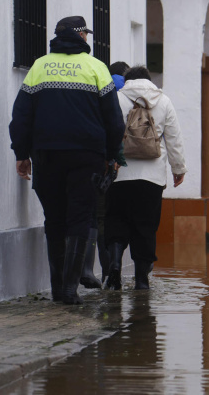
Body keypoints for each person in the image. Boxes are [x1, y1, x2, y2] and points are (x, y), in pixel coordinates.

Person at [9, 15, 125, 305]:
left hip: (46, 154)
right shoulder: (97, 68)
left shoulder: (39, 67)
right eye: (86, 33)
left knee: (54, 218)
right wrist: (113, 156)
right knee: (80, 217)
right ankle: (70, 290)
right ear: (81, 36)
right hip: (87, 156)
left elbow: (21, 116)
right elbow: (114, 121)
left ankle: (58, 288)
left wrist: (22, 154)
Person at [105, 66, 186, 290]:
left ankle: (114, 266)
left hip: (120, 175)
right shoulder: (164, 101)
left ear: (127, 80)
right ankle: (141, 279)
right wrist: (178, 169)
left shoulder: (116, 98)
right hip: (152, 178)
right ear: (149, 81)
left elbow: (106, 131)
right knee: (146, 226)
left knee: (116, 220)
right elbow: (174, 139)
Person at [91, 61, 131, 285]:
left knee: (100, 220)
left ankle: (107, 271)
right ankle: (123, 265)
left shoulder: (100, 89)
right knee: (123, 219)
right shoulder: (133, 95)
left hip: (101, 165)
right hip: (129, 171)